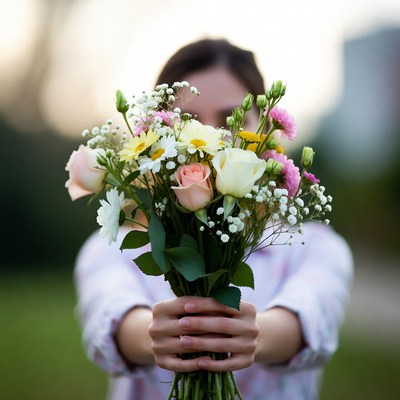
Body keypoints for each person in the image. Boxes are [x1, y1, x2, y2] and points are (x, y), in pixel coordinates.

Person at [74, 39, 353, 400]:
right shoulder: (112, 245)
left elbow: (316, 316)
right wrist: (152, 336)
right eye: (188, 121)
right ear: (154, 135)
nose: (208, 137)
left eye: (229, 119)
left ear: (266, 133)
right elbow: (106, 315)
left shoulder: (312, 246)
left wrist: (255, 335)